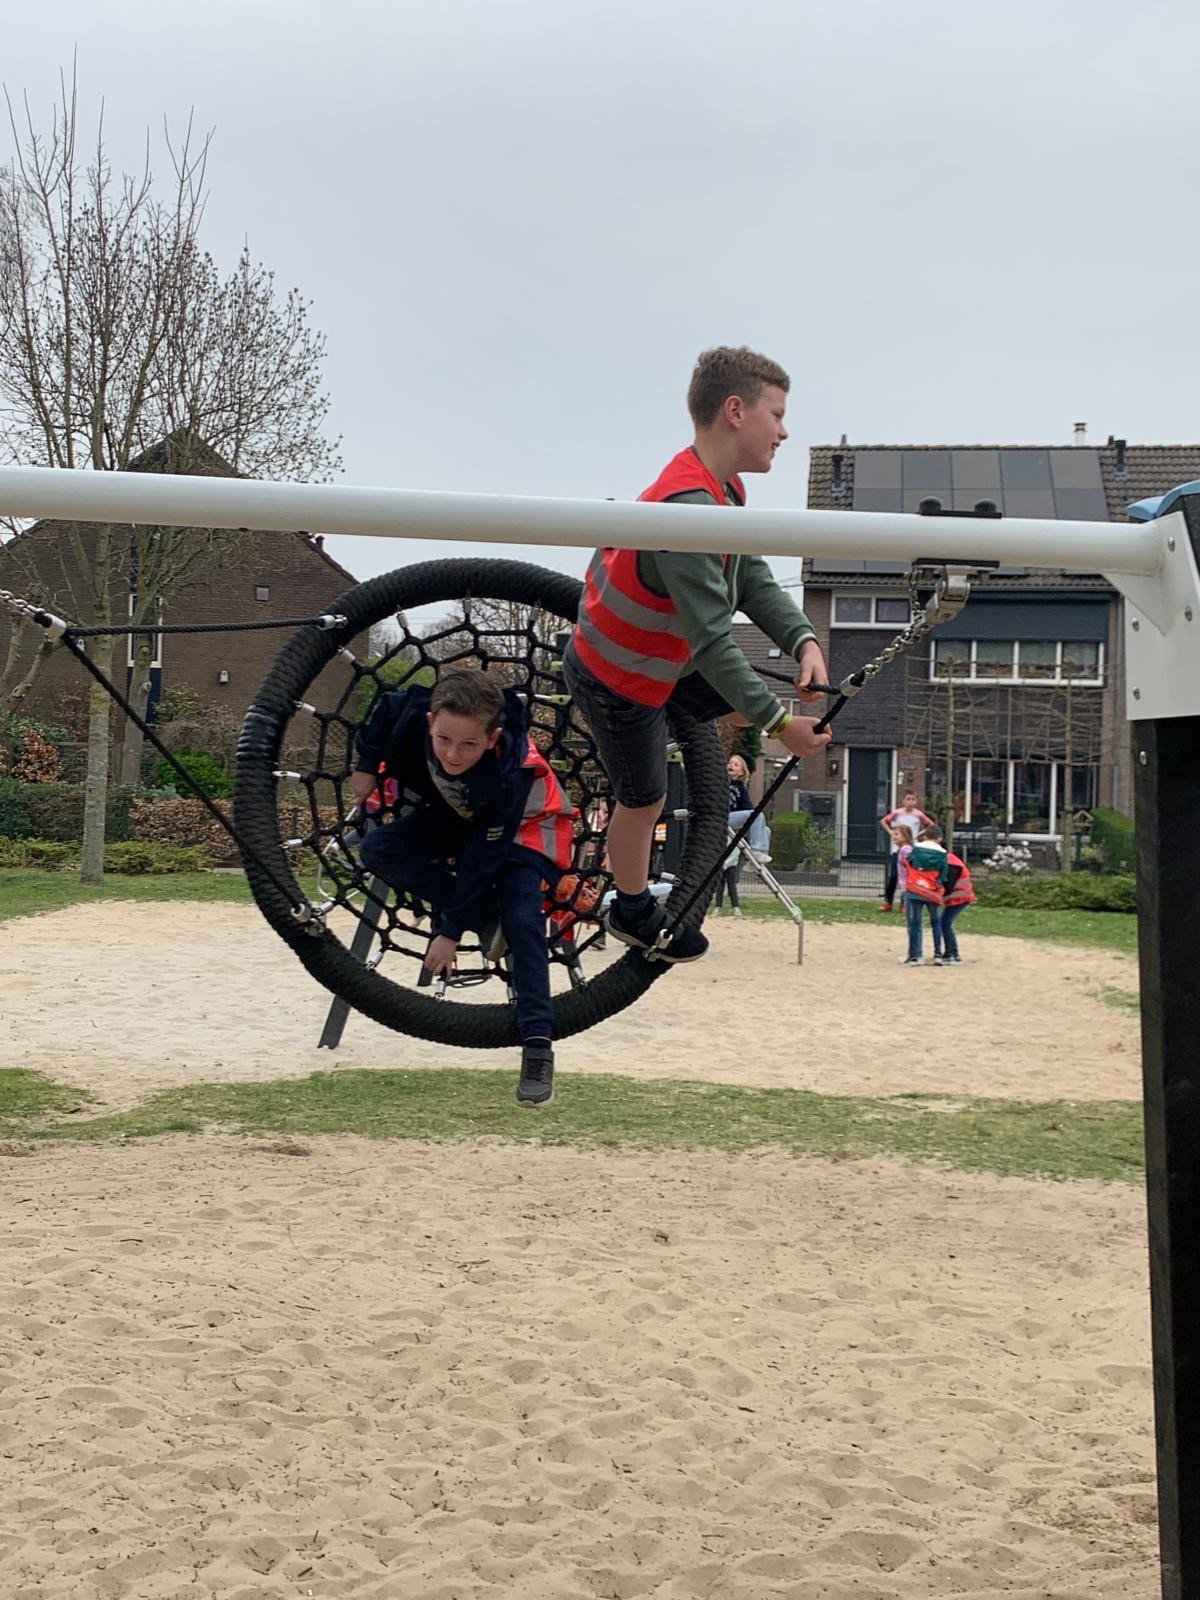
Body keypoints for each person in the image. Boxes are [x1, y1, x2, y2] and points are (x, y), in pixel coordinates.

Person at [563, 345, 831, 962]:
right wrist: (781, 726)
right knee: (644, 798)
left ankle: (696, 716)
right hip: (617, 678)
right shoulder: (685, 510)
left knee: (740, 693)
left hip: (661, 661)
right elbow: (712, 641)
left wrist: (802, 638)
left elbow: (752, 574)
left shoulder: (724, 490)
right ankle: (631, 909)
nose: (784, 431)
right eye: (777, 414)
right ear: (735, 411)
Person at [349, 668, 577, 1108]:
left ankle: (537, 1045)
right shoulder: (414, 715)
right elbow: (387, 707)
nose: (453, 754)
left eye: (469, 744)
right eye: (444, 739)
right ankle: (487, 914)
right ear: (430, 722)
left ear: (492, 739)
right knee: (378, 848)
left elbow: (482, 860)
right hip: (464, 815)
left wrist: (450, 930)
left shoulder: (509, 774)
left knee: (522, 917)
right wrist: (365, 764)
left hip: (528, 830)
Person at [899, 822, 948, 967]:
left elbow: (909, 862)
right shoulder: (942, 853)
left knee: (915, 923)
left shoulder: (916, 849)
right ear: (939, 838)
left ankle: (915, 956)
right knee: (936, 922)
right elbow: (943, 873)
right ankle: (937, 954)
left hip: (915, 888)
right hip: (932, 890)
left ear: (925, 836)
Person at [880, 790, 932, 911]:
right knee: (893, 876)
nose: (910, 802)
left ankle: (904, 903)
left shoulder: (918, 814)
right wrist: (891, 832)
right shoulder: (897, 813)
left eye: (913, 799)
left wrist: (919, 834)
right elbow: (884, 821)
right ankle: (888, 902)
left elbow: (930, 824)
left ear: (916, 801)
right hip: (897, 849)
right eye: (908, 799)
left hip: (911, 848)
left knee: (909, 876)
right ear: (903, 801)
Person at [727, 752, 771, 863]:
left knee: (766, 830)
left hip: (736, 819)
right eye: (730, 763)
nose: (731, 765)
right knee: (756, 815)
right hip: (725, 817)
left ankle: (758, 857)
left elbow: (747, 808)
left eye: (735, 765)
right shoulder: (723, 783)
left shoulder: (740, 788)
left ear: (741, 772)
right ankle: (756, 850)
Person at [940, 845, 976, 964]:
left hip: (960, 897)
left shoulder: (950, 862)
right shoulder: (948, 859)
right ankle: (950, 952)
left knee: (945, 923)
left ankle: (953, 953)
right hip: (958, 898)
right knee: (944, 923)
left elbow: (948, 885)